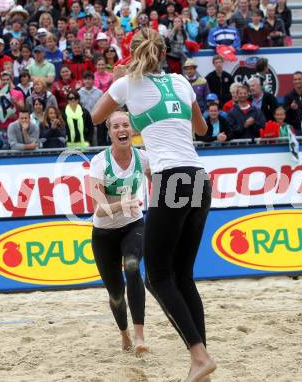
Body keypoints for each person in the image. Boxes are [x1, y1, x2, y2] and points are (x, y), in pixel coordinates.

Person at [92, 28, 216, 382]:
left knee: (158, 277)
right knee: (184, 276)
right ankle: (201, 361)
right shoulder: (180, 81)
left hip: (171, 177)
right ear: (164, 54)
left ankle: (199, 356)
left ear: (132, 55)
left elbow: (97, 116)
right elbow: (203, 128)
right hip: (198, 177)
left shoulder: (127, 84)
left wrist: (119, 80)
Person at [90, 111, 149, 354]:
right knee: (116, 294)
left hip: (133, 225)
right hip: (104, 233)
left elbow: (159, 183)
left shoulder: (144, 158)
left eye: (125, 125)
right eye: (116, 126)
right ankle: (124, 334)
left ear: (132, 130)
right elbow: (100, 209)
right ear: (110, 132)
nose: (121, 129)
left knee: (133, 267)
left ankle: (140, 338)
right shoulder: (99, 162)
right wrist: (123, 204)